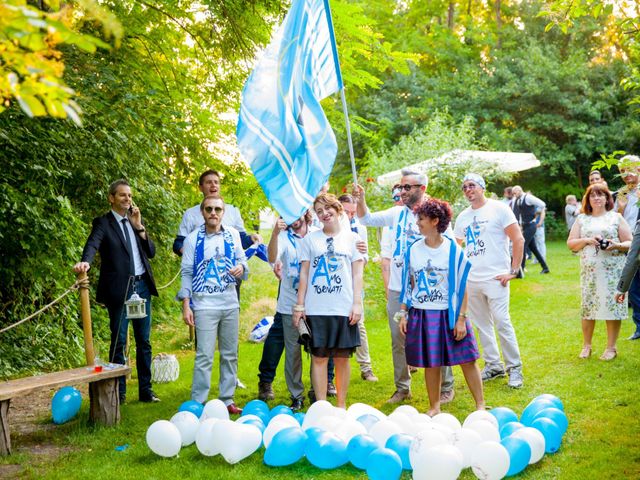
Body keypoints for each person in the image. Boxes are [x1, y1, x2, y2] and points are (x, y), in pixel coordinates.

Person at [354, 170, 455, 404]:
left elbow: (449, 248)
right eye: (401, 187)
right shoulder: (397, 213)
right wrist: (361, 201)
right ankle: (402, 387)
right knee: (397, 338)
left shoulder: (434, 214)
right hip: (399, 290)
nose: (401, 191)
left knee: (436, 337)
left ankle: (446, 387)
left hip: (428, 290)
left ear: (422, 188)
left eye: (407, 187)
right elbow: (366, 219)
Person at [73, 179, 159, 404]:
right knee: (119, 340)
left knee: (144, 341)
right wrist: (85, 262)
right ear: (111, 198)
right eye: (122, 195)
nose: (127, 199)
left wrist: (139, 226)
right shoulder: (103, 222)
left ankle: (146, 391)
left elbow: (151, 252)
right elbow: (93, 243)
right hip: (120, 289)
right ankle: (118, 394)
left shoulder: (134, 222)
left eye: (129, 195)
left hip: (141, 287)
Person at [398, 198, 484, 416]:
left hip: (450, 314)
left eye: (422, 219)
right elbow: (408, 286)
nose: (417, 223)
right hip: (423, 315)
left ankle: (480, 406)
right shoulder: (413, 250)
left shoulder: (453, 250)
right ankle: (434, 407)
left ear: (435, 221)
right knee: (431, 362)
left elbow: (462, 287)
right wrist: (403, 313)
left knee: (467, 360)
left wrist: (462, 318)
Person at [454, 174, 526, 388]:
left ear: (482, 187)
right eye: (465, 187)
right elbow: (456, 247)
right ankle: (494, 365)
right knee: (482, 325)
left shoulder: (499, 209)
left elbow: (518, 239)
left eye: (472, 185)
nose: (468, 190)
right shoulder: (463, 217)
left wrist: (513, 271)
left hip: (496, 278)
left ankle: (515, 368)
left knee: (503, 322)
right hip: (472, 279)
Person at [293, 193, 364, 409]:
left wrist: (356, 303)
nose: (324, 214)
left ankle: (341, 405)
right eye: (319, 211)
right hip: (317, 308)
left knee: (342, 358)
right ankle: (322, 406)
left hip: (343, 307)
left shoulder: (353, 239)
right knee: (319, 358)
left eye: (327, 209)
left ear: (338, 209)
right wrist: (299, 305)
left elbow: (357, 274)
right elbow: (304, 274)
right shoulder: (309, 240)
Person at [178, 196, 248, 414]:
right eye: (209, 209)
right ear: (202, 212)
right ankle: (198, 402)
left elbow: (243, 262)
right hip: (204, 304)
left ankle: (227, 399)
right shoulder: (191, 240)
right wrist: (186, 305)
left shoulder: (233, 235)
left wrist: (241, 268)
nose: (213, 213)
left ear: (223, 212)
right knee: (204, 355)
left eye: (218, 209)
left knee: (229, 354)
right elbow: (187, 273)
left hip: (229, 303)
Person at [256, 211, 314, 411]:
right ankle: (296, 395)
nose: (293, 218)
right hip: (290, 304)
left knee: (319, 351)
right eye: (288, 214)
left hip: (317, 303)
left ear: (305, 214)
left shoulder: (316, 233)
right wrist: (273, 233)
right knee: (293, 352)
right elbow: (272, 257)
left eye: (296, 213)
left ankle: (317, 390)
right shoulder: (282, 237)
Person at [567, 184, 631, 359]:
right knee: (588, 307)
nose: (596, 198)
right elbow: (571, 243)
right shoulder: (582, 219)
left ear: (607, 198)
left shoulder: (616, 218)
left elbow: (630, 243)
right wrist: (587, 240)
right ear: (587, 199)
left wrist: (616, 245)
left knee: (612, 306)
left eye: (600, 195)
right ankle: (586, 345)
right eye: (592, 195)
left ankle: (611, 348)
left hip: (613, 271)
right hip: (590, 272)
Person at [339, 194, 378, 382]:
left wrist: (361, 253)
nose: (349, 216)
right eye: (346, 211)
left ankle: (366, 367)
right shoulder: (333, 228)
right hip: (335, 285)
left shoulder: (359, 228)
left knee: (359, 324)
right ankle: (332, 373)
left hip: (353, 282)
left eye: (352, 212)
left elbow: (366, 258)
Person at [614, 155, 640, 340]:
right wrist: (621, 208)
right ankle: (639, 327)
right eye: (622, 171)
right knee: (635, 289)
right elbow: (616, 221)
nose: (626, 174)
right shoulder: (621, 193)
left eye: (629, 169)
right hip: (630, 246)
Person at [511, 186, 550, 274]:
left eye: (515, 192)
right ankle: (545, 268)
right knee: (533, 248)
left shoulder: (528, 197)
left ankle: (520, 270)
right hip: (525, 226)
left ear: (519, 190)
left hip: (531, 225)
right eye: (513, 193)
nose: (514, 195)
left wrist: (536, 215)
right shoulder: (518, 200)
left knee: (522, 246)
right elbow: (519, 214)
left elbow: (542, 204)